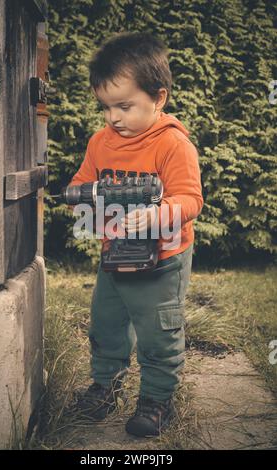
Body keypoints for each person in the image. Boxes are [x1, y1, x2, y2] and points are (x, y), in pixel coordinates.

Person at [68, 31, 203, 438]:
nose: (114, 118)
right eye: (106, 107)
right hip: (114, 257)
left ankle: (156, 398)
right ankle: (105, 386)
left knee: (158, 332)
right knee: (106, 325)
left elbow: (190, 199)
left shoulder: (173, 144)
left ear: (158, 98)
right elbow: (82, 183)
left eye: (124, 106)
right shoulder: (100, 142)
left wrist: (157, 214)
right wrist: (83, 204)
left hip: (162, 261)